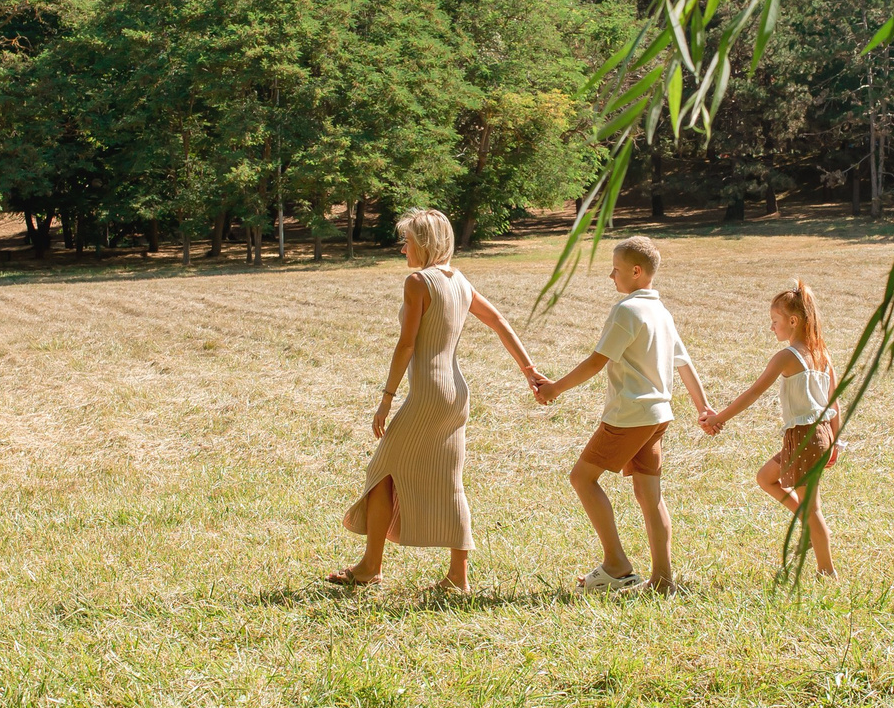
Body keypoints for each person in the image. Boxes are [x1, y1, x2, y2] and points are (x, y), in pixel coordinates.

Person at [333, 209, 543, 592]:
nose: (402, 250)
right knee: (449, 481)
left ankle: (370, 567)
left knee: (381, 471)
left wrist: (386, 398)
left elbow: (407, 344)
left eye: (407, 241)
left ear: (424, 243)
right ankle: (456, 577)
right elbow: (499, 321)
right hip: (457, 394)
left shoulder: (418, 282)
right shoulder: (459, 280)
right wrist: (529, 370)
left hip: (429, 393)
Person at [533, 235, 712, 592]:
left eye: (615, 270)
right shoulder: (661, 312)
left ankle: (616, 564)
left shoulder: (627, 310)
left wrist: (554, 389)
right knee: (650, 495)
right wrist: (703, 406)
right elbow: (683, 362)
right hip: (659, 415)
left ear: (635, 271)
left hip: (629, 415)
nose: (610, 277)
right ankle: (663, 580)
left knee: (582, 479)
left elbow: (598, 361)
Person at [700, 279, 841, 577]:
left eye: (774, 321)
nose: (771, 328)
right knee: (766, 478)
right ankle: (806, 529)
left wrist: (718, 418)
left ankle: (826, 571)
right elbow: (835, 405)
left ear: (793, 321)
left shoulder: (787, 357)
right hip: (817, 435)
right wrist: (835, 442)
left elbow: (753, 394)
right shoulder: (822, 355)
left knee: (813, 509)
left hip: (805, 436)